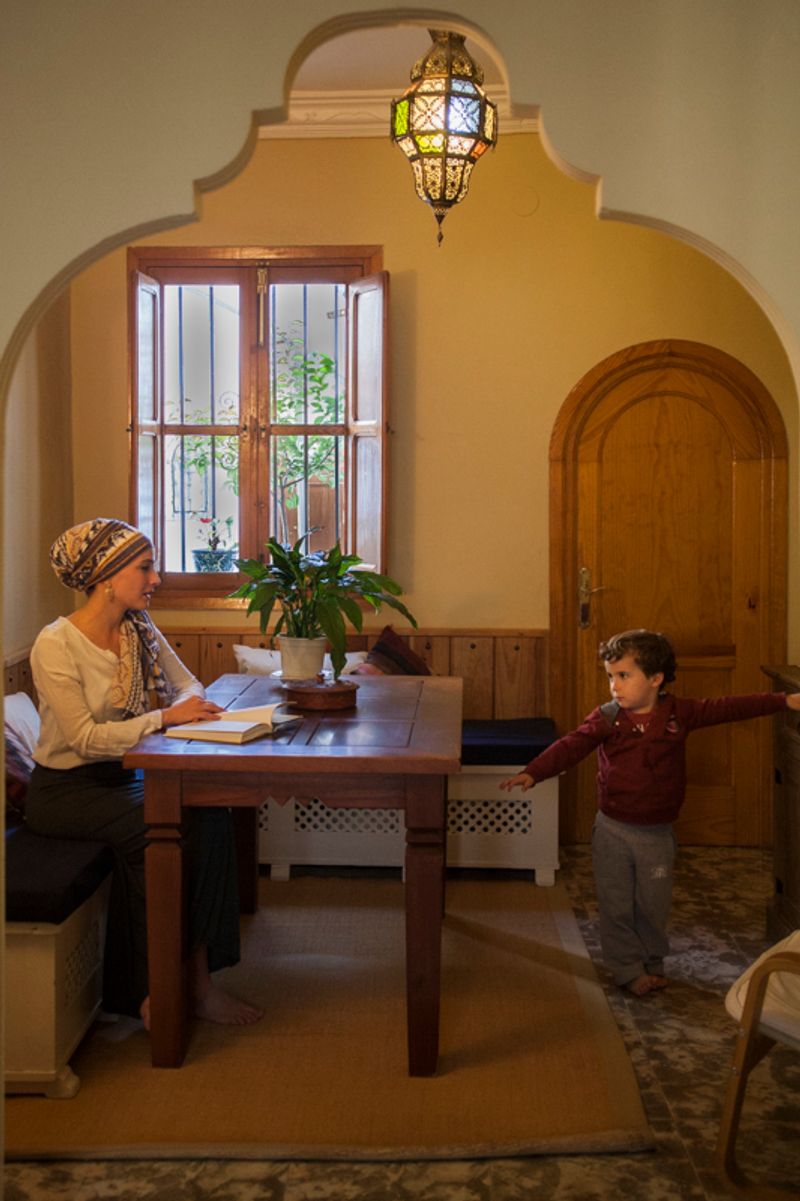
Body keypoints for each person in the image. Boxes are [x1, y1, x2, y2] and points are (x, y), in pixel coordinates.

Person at [25, 517, 263, 1029]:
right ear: (107, 576)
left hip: (126, 775)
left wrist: (182, 706)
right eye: (146, 568)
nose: (157, 579)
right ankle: (148, 992)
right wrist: (165, 718)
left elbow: (188, 685)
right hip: (66, 791)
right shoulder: (56, 644)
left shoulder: (138, 630)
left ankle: (200, 985)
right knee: (160, 832)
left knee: (214, 815)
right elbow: (85, 739)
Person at [500, 629, 800, 997]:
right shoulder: (608, 718)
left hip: (657, 835)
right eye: (610, 676)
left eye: (623, 676)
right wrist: (535, 771)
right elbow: (571, 745)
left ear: (656, 679)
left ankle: (652, 962)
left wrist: (783, 701)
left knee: (652, 905)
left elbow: (729, 706)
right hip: (612, 830)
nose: (614, 686)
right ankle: (627, 969)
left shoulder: (679, 714)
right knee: (616, 905)